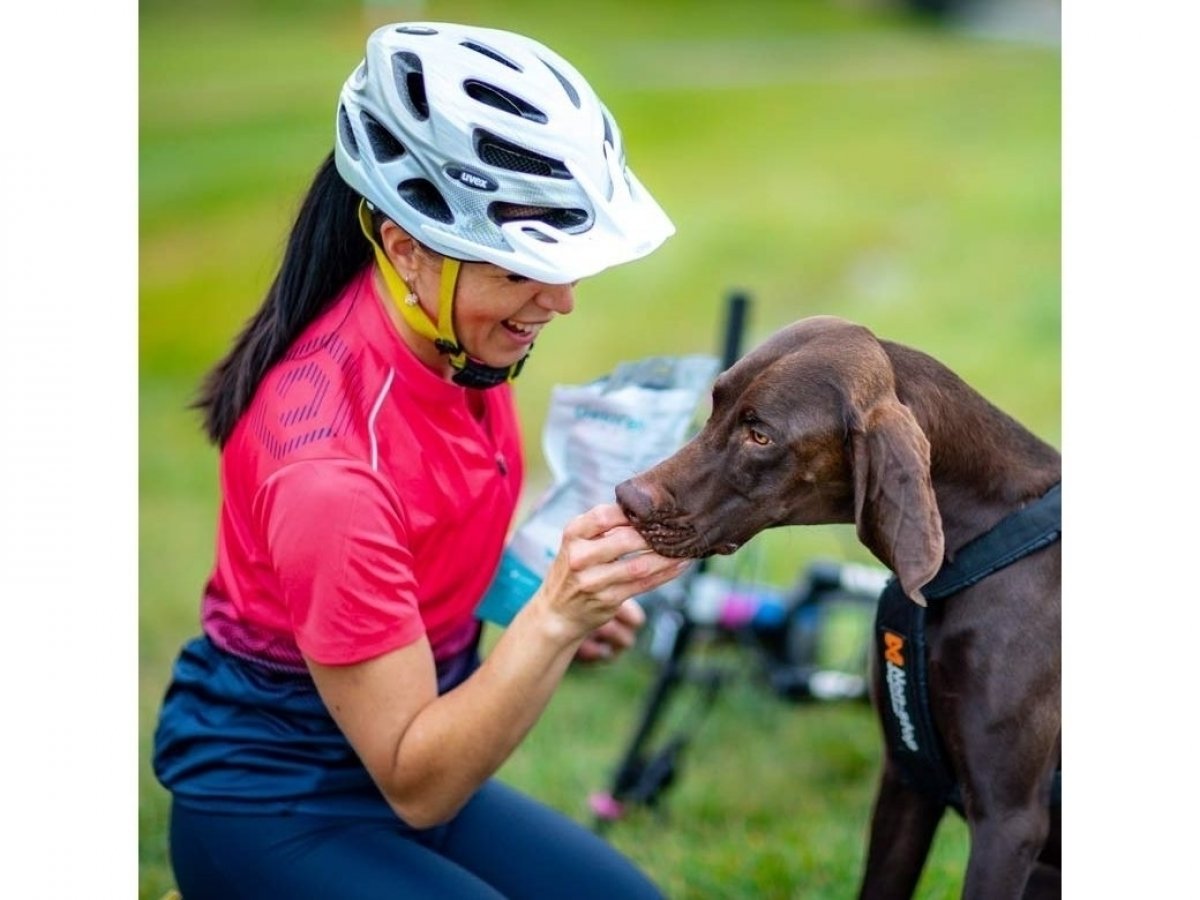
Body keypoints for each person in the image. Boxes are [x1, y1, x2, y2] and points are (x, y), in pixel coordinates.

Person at [152, 20, 686, 900]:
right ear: (404, 244)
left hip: (400, 761)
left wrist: (534, 601)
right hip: (280, 809)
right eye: (520, 269)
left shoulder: (454, 341)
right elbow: (418, 779)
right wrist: (553, 619)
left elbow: (428, 540)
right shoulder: (327, 468)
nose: (559, 300)